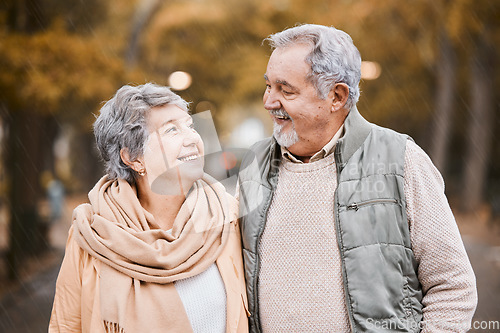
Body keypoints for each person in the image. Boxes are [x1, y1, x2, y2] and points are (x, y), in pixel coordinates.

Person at [238, 24, 477, 332]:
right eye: (268, 86)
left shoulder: (401, 159)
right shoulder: (253, 166)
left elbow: (452, 287)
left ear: (337, 97)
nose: (269, 101)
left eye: (286, 90)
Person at [49, 83, 248, 333]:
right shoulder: (92, 235)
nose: (192, 139)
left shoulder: (227, 216)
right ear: (133, 158)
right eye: (172, 130)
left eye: (190, 125)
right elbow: (66, 326)